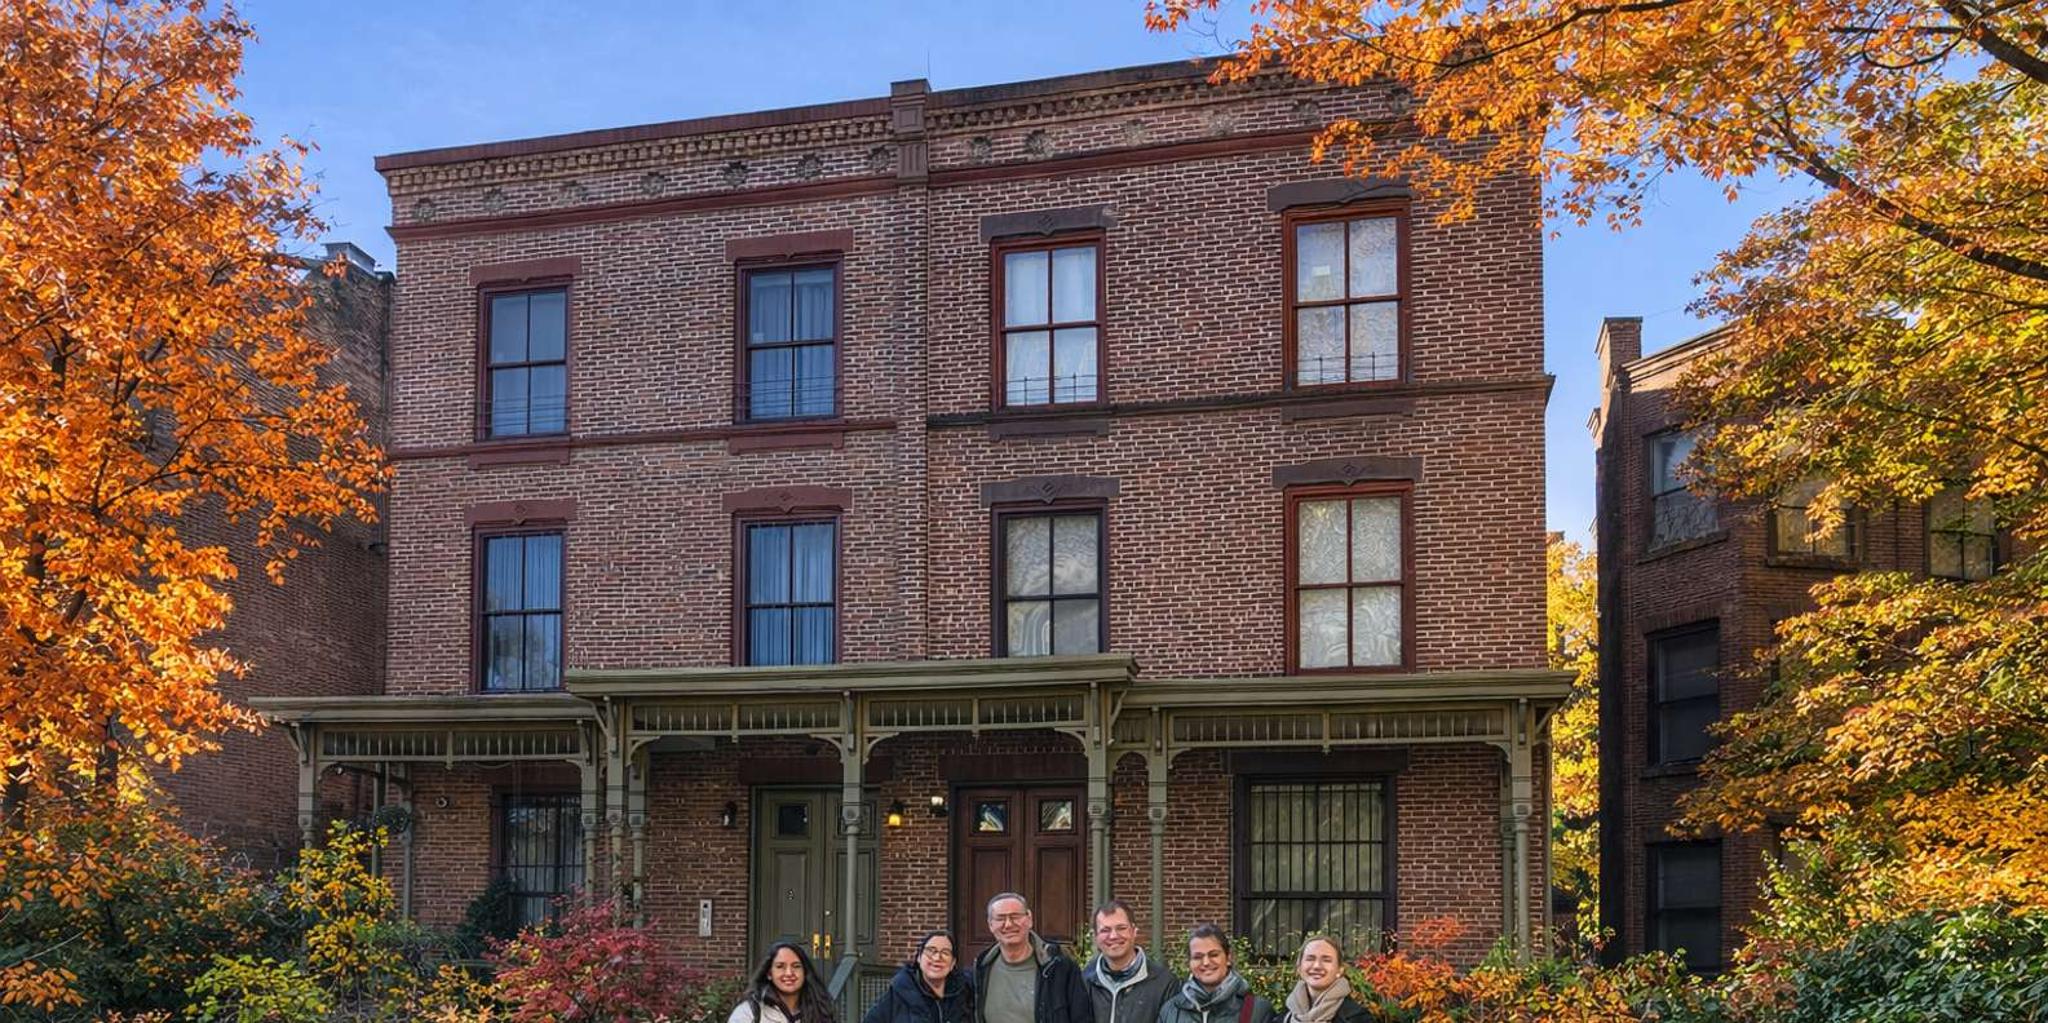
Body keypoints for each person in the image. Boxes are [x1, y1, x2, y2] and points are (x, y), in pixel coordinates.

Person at [971, 891, 1093, 1023]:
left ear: (1029, 919)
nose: (1008, 924)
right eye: (1000, 919)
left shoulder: (1059, 968)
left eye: (1015, 916)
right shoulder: (981, 969)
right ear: (990, 925)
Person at [1080, 900, 1176, 1023]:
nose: (1113, 936)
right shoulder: (1084, 982)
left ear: (1134, 931)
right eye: (1105, 930)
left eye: (1121, 928)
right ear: (1095, 937)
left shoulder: (1165, 984)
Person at [1157, 924, 1273, 1023]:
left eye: (1214, 955)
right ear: (1189, 963)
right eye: (1198, 957)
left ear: (1228, 958)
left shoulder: (1257, 1011)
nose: (1206, 963)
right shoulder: (1171, 1011)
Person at [864, 930, 975, 1023]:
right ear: (919, 958)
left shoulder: (964, 993)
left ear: (953, 963)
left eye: (945, 953)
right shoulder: (898, 993)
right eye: (931, 951)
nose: (937, 958)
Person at [731, 941, 841, 1023]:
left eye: (796, 966)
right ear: (769, 973)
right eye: (780, 966)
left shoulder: (820, 1011)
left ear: (805, 972)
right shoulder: (750, 1012)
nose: (789, 973)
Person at [1274, 936, 1367, 1023]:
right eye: (1310, 959)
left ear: (1340, 970)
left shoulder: (1357, 1017)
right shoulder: (1285, 1015)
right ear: (1299, 968)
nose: (1317, 966)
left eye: (1326, 960)